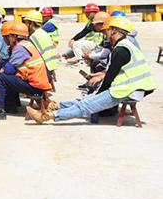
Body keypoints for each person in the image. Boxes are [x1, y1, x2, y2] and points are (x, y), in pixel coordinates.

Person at [28, 16, 156, 124]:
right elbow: (116, 71)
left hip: (129, 90)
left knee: (86, 105)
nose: (105, 34)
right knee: (85, 100)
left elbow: (110, 78)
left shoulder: (121, 50)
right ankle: (55, 106)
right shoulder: (124, 45)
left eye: (107, 31)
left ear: (114, 31)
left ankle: (47, 116)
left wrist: (98, 93)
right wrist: (99, 76)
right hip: (129, 87)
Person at [0, 22, 52, 120]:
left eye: (7, 37)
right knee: (11, 77)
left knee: (0, 77)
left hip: (35, 85)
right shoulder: (27, 44)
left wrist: (0, 68)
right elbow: (12, 66)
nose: (6, 39)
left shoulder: (20, 48)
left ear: (14, 36)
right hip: (38, 83)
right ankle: (11, 106)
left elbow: (9, 70)